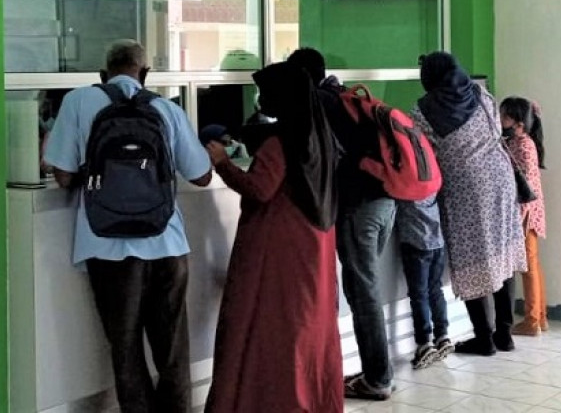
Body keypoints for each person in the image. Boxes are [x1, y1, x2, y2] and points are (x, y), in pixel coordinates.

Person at [43, 40, 212, 413]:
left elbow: (64, 176)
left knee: (126, 349)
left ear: (103, 75)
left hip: (106, 246)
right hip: (166, 244)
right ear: (145, 74)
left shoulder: (78, 102)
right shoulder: (166, 108)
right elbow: (201, 175)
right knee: (172, 350)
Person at [203, 62, 343, 413]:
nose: (261, 99)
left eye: (266, 93)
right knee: (308, 329)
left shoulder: (280, 143)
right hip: (314, 244)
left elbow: (260, 189)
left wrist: (222, 162)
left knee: (270, 329)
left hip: (280, 249)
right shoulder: (318, 133)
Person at [287, 47, 397, 400]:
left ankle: (378, 377)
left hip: (358, 209)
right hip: (385, 202)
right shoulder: (346, 97)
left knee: (362, 292)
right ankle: (375, 371)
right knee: (364, 288)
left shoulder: (318, 103)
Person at [410, 51, 526, 356]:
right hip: (501, 179)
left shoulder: (422, 111)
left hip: (466, 188)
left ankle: (483, 338)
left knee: (472, 258)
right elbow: (497, 129)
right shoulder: (478, 91)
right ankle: (505, 333)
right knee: (502, 251)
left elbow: (423, 152)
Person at [500, 96, 549, 336]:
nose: (501, 120)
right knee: (533, 265)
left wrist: (519, 217)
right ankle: (540, 317)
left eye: (505, 116)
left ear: (518, 121)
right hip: (529, 213)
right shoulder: (520, 142)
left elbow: (525, 184)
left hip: (525, 215)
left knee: (529, 267)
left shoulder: (523, 145)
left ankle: (532, 321)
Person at [395, 194, 453, 369]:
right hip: (437, 241)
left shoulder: (406, 185)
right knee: (435, 289)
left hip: (416, 243)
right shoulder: (430, 175)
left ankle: (424, 343)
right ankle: (442, 335)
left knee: (419, 294)